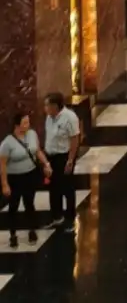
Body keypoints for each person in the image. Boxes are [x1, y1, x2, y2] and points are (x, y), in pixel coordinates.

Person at [1, 110, 50, 246]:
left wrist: (46, 164)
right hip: (15, 179)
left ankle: (32, 230)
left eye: (28, 122)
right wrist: (5, 184)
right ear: (17, 125)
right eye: (25, 123)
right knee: (13, 206)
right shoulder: (7, 143)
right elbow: (2, 165)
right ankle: (13, 234)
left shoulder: (32, 134)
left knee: (29, 203)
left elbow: (37, 151)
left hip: (30, 175)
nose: (28, 125)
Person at [42, 93, 80, 227]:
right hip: (51, 156)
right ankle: (56, 216)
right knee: (53, 187)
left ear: (55, 106)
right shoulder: (48, 117)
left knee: (67, 188)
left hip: (63, 156)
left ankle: (70, 219)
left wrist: (70, 160)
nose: (45, 108)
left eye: (47, 105)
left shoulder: (70, 117)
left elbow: (74, 139)